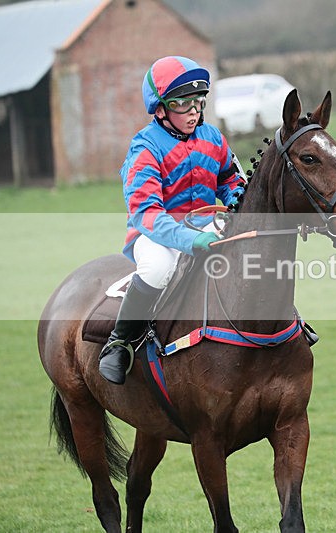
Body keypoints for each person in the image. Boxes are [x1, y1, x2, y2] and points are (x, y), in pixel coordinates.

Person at [99, 56, 245, 385]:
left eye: (198, 101)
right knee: (157, 269)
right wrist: (190, 240)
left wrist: (237, 201)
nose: (193, 111)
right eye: (182, 103)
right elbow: (146, 213)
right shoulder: (145, 147)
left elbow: (230, 181)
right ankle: (119, 343)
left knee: (248, 251)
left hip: (206, 225)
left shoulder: (213, 138)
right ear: (161, 108)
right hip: (155, 234)